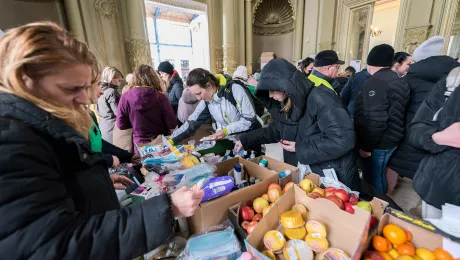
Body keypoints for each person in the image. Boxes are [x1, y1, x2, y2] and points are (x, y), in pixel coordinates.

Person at [0, 22, 204, 259]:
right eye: (71, 88)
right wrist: (168, 209)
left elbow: (57, 187)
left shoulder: (37, 125)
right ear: (26, 79)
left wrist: (98, 180)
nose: (85, 98)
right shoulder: (11, 141)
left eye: (87, 87)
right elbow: (56, 245)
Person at [387, 36, 460, 194]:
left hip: (405, 140)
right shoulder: (453, 81)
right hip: (441, 145)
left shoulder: (407, 80)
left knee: (391, 192)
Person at [354, 44, 410, 193]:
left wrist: (366, 146)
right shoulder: (399, 79)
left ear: (370, 63)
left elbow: (375, 119)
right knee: (379, 173)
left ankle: (379, 205)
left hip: (379, 141)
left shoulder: (376, 82)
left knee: (373, 177)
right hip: (393, 136)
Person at [409, 67, 460, 217]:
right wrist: (438, 137)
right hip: (439, 189)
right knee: (433, 237)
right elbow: (417, 128)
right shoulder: (453, 81)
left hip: (438, 184)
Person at [169, 68, 261, 145]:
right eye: (195, 95)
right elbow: (191, 123)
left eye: (199, 93)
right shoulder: (207, 101)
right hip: (231, 141)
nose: (198, 98)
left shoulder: (235, 89)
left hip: (250, 139)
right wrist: (171, 140)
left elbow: (249, 120)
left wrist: (225, 131)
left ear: (209, 86)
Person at [117, 65, 177, 153]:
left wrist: (135, 124)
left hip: (140, 145)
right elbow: (172, 124)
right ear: (154, 78)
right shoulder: (160, 97)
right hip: (160, 143)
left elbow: (121, 125)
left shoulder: (125, 97)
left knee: (144, 166)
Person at [96, 66, 123, 144]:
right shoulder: (111, 92)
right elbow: (119, 113)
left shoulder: (98, 90)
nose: (119, 83)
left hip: (103, 126)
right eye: (119, 80)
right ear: (112, 78)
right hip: (113, 128)